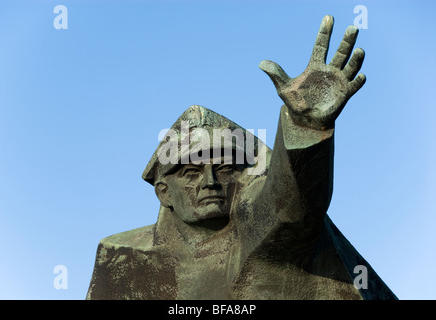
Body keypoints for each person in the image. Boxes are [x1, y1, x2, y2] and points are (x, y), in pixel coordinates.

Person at [86, 16, 397, 300]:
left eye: (222, 168)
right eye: (191, 173)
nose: (210, 182)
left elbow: (288, 206)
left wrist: (306, 126)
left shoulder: (251, 223)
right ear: (164, 191)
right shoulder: (120, 256)